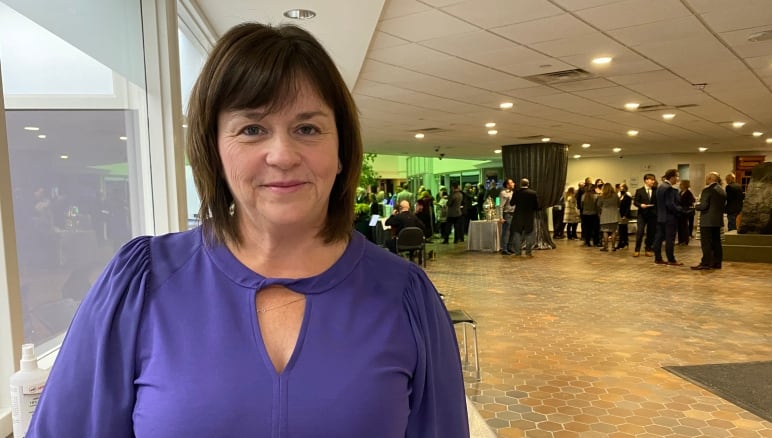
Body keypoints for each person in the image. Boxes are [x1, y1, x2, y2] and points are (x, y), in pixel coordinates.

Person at [28, 22, 468, 438]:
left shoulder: (406, 296)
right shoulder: (141, 284)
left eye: (308, 128)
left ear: (341, 151)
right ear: (214, 149)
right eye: (252, 129)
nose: (282, 154)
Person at [692, 172, 727, 270]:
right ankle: (717, 263)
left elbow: (703, 206)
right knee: (716, 242)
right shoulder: (722, 190)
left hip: (707, 220)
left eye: (707, 178)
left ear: (711, 178)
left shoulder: (707, 190)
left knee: (706, 243)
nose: (706, 180)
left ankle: (706, 263)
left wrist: (695, 205)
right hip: (717, 220)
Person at [652, 169, 685, 266]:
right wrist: (681, 210)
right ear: (672, 177)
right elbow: (670, 204)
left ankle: (658, 258)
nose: (678, 179)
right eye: (677, 176)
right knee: (670, 240)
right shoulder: (669, 188)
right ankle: (671, 259)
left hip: (660, 217)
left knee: (658, 239)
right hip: (669, 218)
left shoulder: (660, 187)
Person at [509, 178, 539, 257]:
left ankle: (517, 252)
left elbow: (512, 203)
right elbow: (536, 206)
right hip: (529, 216)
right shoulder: (533, 193)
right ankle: (528, 252)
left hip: (518, 216)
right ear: (528, 184)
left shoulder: (516, 192)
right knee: (529, 234)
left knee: (517, 234)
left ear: (520, 184)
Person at [633, 174, 657, 257]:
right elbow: (635, 202)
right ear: (646, 180)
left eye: (654, 180)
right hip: (642, 215)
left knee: (651, 232)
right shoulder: (639, 190)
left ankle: (648, 249)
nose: (653, 181)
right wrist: (640, 205)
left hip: (652, 214)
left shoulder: (655, 190)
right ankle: (637, 250)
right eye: (651, 180)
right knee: (640, 232)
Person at [596, 183, 620, 251]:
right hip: (614, 215)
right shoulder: (615, 195)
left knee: (605, 231)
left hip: (605, 214)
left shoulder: (601, 196)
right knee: (613, 231)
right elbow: (619, 204)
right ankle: (613, 247)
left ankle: (605, 247)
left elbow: (598, 205)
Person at [499, 178, 516, 254]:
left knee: (512, 231)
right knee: (506, 232)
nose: (513, 184)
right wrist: (501, 217)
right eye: (511, 183)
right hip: (507, 214)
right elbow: (501, 206)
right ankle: (504, 249)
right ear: (507, 185)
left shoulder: (513, 192)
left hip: (513, 214)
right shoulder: (503, 193)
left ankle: (510, 247)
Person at [677, 179, 695, 244]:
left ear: (685, 185)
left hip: (685, 212)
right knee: (680, 226)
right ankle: (680, 240)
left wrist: (684, 207)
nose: (680, 185)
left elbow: (692, 201)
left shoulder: (688, 193)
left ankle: (685, 240)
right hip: (680, 212)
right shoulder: (680, 192)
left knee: (684, 226)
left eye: (681, 184)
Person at [616, 183, 632, 249]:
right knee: (621, 229)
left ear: (625, 188)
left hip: (625, 214)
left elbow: (628, 207)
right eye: (620, 187)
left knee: (624, 229)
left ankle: (623, 242)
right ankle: (623, 242)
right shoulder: (619, 196)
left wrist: (625, 215)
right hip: (619, 214)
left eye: (622, 187)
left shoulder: (628, 197)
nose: (621, 188)